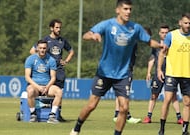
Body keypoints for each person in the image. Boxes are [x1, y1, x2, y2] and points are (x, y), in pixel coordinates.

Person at [70, 0, 166, 135]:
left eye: (130, 9)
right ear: (118, 10)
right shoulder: (108, 25)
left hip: (122, 74)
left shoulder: (135, 28)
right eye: (125, 9)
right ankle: (76, 129)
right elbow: (85, 35)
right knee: (92, 105)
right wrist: (93, 35)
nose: (128, 12)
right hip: (104, 72)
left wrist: (160, 45)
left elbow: (149, 41)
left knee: (124, 108)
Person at [30, 19, 74, 122]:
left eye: (60, 27)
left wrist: (66, 61)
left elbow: (71, 51)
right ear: (51, 28)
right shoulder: (45, 40)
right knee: (45, 92)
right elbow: (32, 51)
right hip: (48, 70)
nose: (59, 29)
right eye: (57, 27)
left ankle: (57, 114)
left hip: (58, 70)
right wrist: (43, 60)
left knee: (59, 92)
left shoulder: (62, 41)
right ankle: (41, 113)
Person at [157, 13, 190, 135]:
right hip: (172, 73)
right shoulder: (171, 35)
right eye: (185, 23)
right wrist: (159, 69)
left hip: (187, 74)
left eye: (189, 23)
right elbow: (162, 53)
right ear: (180, 22)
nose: (188, 25)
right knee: (168, 99)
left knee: (187, 103)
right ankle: (162, 129)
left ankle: (185, 130)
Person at [143, 25, 183, 124]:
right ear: (159, 33)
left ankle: (179, 118)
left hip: (170, 73)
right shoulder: (156, 46)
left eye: (166, 33)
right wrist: (148, 72)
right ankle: (148, 116)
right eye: (163, 33)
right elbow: (152, 59)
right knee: (154, 95)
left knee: (173, 96)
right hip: (158, 73)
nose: (164, 34)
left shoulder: (173, 44)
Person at [25, 40, 63, 124]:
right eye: (40, 48)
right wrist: (38, 87)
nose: (42, 50)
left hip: (47, 86)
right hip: (35, 86)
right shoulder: (30, 59)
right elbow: (27, 77)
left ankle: (52, 116)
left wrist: (47, 87)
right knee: (30, 91)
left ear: (47, 48)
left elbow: (53, 77)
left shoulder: (51, 60)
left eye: (44, 48)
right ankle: (33, 114)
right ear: (37, 48)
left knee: (59, 92)